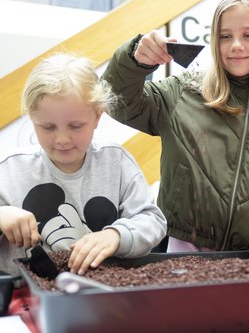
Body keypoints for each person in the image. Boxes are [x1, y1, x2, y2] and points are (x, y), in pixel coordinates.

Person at [102, 0, 249, 261]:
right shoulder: (183, 92)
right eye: (225, 36)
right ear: (214, 41)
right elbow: (116, 100)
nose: (236, 45)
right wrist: (134, 59)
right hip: (182, 252)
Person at [0, 53, 167, 276]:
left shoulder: (115, 162)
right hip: (25, 296)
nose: (62, 139)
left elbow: (152, 221)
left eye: (76, 126)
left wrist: (116, 236)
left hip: (104, 291)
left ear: (97, 116)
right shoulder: (9, 170)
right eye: (48, 127)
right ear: (32, 118)